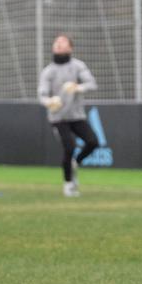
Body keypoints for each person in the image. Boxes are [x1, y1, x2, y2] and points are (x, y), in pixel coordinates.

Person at [38, 34, 99, 197]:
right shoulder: (48, 71)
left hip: (77, 115)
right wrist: (50, 101)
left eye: (63, 42)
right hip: (58, 118)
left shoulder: (78, 66)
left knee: (93, 142)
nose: (58, 44)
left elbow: (92, 84)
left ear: (70, 48)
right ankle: (68, 184)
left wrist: (77, 87)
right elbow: (42, 95)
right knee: (69, 147)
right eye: (56, 42)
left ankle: (74, 163)